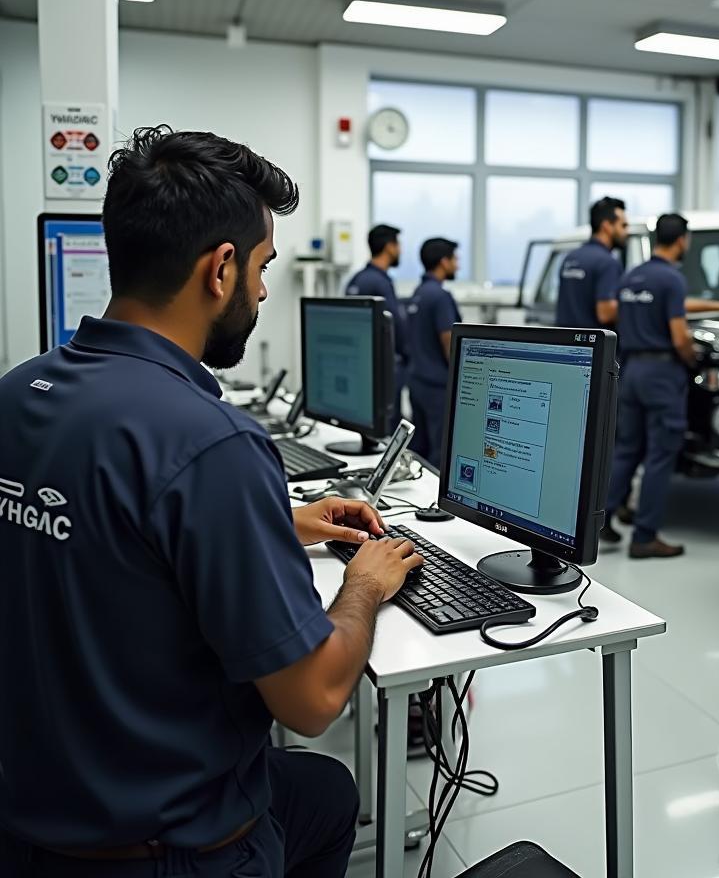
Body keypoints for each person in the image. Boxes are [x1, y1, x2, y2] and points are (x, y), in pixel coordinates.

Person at [0, 126, 424, 878]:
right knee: (318, 782)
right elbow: (314, 698)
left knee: (321, 794)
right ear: (220, 268)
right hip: (162, 848)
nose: (263, 290)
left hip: (33, 814)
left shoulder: (19, 392)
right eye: (262, 267)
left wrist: (272, 521)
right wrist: (361, 589)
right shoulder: (212, 443)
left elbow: (99, 532)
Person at [601, 213, 696, 559]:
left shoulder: (631, 277)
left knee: (627, 450)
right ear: (682, 240)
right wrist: (691, 358)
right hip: (661, 374)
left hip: (631, 370)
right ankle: (644, 536)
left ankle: (601, 522)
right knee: (660, 455)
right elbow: (679, 335)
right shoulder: (672, 280)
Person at [346, 223, 407, 431]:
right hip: (383, 371)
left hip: (358, 368)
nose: (400, 250)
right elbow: (394, 328)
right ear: (389, 246)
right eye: (398, 245)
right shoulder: (380, 283)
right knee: (387, 429)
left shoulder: (357, 279)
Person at [407, 237, 461, 467]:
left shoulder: (419, 293)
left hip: (417, 382)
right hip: (438, 388)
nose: (457, 265)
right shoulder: (440, 296)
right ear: (443, 262)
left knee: (421, 449)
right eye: (454, 259)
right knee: (441, 454)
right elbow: (448, 339)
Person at [555, 196, 627, 328]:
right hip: (595, 345)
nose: (626, 232)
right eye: (623, 226)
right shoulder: (607, 263)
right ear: (606, 226)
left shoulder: (570, 258)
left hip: (568, 345)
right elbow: (605, 313)